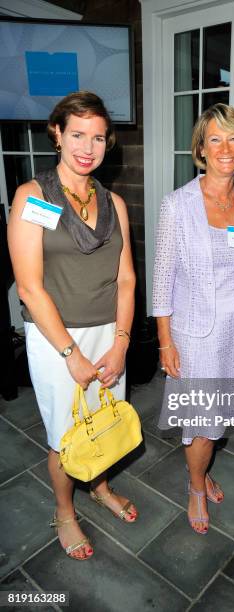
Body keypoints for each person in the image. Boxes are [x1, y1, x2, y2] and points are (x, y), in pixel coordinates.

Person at [7, 91, 137, 560]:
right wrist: (71, 353)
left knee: (101, 423)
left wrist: (121, 344)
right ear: (57, 134)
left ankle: (100, 486)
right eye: (78, 134)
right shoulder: (34, 196)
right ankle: (65, 511)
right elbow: (29, 288)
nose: (88, 146)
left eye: (98, 137)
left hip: (109, 334)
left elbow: (126, 279)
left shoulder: (115, 203)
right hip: (56, 337)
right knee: (65, 435)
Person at [152, 104, 234, 534]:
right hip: (192, 335)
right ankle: (196, 485)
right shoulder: (177, 205)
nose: (225, 148)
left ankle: (202, 472)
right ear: (201, 148)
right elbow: (161, 280)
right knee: (202, 425)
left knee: (215, 420)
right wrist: (165, 343)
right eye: (215, 139)